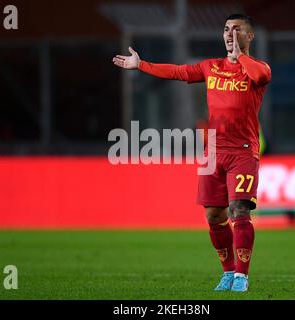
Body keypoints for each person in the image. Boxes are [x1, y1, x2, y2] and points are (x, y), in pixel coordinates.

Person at [113, 14, 271, 292]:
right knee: (213, 216)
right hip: (213, 153)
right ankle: (228, 271)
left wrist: (239, 57)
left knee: (239, 211)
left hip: (243, 152)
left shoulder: (257, 68)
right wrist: (141, 65)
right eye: (226, 29)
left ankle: (242, 277)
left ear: (250, 36)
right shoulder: (211, 67)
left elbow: (260, 76)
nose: (230, 34)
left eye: (237, 30)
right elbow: (178, 72)